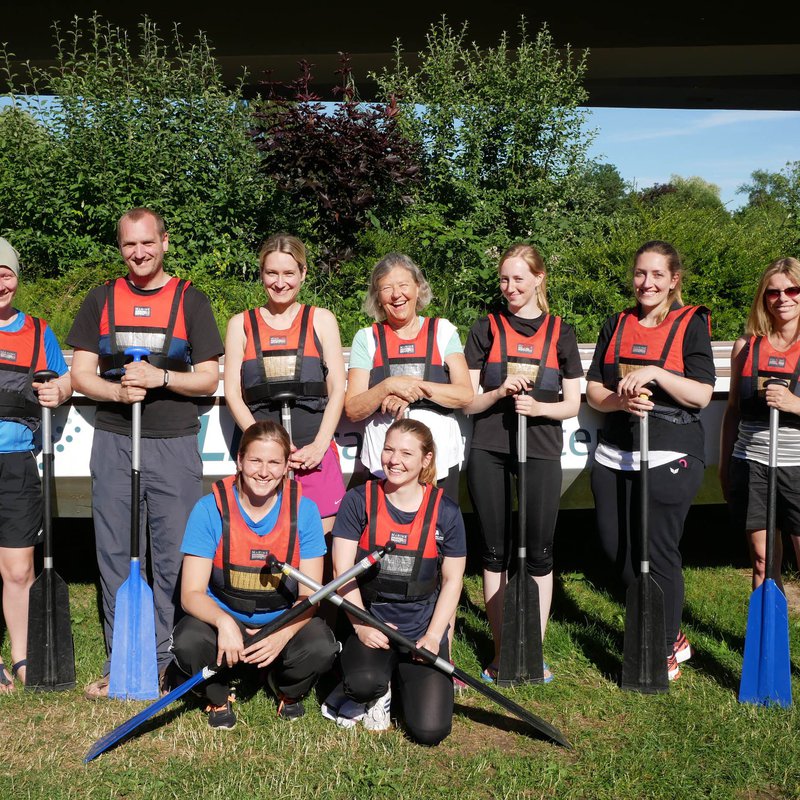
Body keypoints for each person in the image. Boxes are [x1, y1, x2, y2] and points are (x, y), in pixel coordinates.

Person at [68, 207, 224, 699]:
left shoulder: (191, 299)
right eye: (129, 245)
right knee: (116, 553)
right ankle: (125, 662)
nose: (139, 253)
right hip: (114, 439)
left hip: (174, 442)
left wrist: (162, 378)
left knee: (174, 558)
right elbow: (82, 373)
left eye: (147, 243)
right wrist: (115, 394)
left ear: (165, 242)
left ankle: (166, 662)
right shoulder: (101, 299)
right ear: (121, 248)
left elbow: (209, 376)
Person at [586, 240, 715, 682]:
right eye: (641, 274)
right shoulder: (617, 323)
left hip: (671, 448)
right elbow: (594, 391)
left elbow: (701, 394)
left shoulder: (690, 323)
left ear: (674, 280)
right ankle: (666, 628)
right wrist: (618, 404)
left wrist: (657, 374)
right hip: (615, 452)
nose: (648, 283)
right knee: (615, 548)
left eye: (658, 275)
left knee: (658, 552)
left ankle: (662, 646)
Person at [463, 243, 582, 683]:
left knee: (537, 554)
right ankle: (501, 652)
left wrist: (539, 410)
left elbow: (572, 404)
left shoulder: (560, 332)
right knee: (495, 552)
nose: (510, 287)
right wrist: (498, 393)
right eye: (504, 279)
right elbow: (469, 402)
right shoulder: (486, 328)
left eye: (519, 279)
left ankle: (532, 650)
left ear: (538, 279)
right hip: (489, 450)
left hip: (542, 448)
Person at [172, 421, 338, 729]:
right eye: (255, 461)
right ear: (239, 461)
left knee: (321, 645)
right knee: (188, 640)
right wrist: (223, 622)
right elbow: (190, 594)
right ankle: (218, 695)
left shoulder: (305, 511)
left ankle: (285, 687)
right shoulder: (208, 509)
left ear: (287, 465)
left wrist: (283, 633)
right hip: (226, 619)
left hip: (281, 619)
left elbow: (310, 596)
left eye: (274, 462)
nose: (264, 472)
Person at [328, 419, 466, 744]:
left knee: (430, 730)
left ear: (426, 460)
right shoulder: (358, 500)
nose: (394, 460)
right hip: (370, 624)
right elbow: (341, 572)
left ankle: (399, 680)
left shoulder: (446, 511)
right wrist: (361, 626)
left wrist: (433, 637)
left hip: (421, 630)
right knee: (363, 682)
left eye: (406, 453)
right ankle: (371, 686)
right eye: (389, 449)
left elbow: (452, 580)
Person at [223, 233, 346, 534]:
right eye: (272, 273)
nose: (280, 283)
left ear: (303, 273)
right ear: (261, 274)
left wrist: (319, 446)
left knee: (319, 541)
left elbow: (337, 389)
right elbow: (232, 394)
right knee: (262, 536)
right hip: (262, 457)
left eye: (289, 273)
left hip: (312, 452)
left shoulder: (322, 320)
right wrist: (265, 445)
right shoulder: (241, 324)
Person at [0, 238, 71, 692]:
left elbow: (65, 378)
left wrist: (59, 390)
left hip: (16, 464)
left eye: (5, 273)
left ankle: (23, 658)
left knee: (19, 569)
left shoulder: (39, 330)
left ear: (16, 278)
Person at [344, 253, 473, 501]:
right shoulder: (366, 338)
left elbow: (465, 394)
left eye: (403, 285)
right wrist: (388, 386)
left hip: (439, 461)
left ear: (418, 287)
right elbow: (353, 408)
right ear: (377, 297)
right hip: (385, 466)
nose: (396, 295)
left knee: (439, 534)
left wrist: (412, 389)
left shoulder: (443, 331)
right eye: (387, 288)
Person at [721, 257, 800, 591]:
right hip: (752, 465)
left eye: (793, 289)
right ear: (763, 298)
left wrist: (794, 403)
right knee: (762, 562)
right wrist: (724, 467)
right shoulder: (746, 346)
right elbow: (733, 411)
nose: (783, 298)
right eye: (773, 292)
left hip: (797, 466)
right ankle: (768, 642)